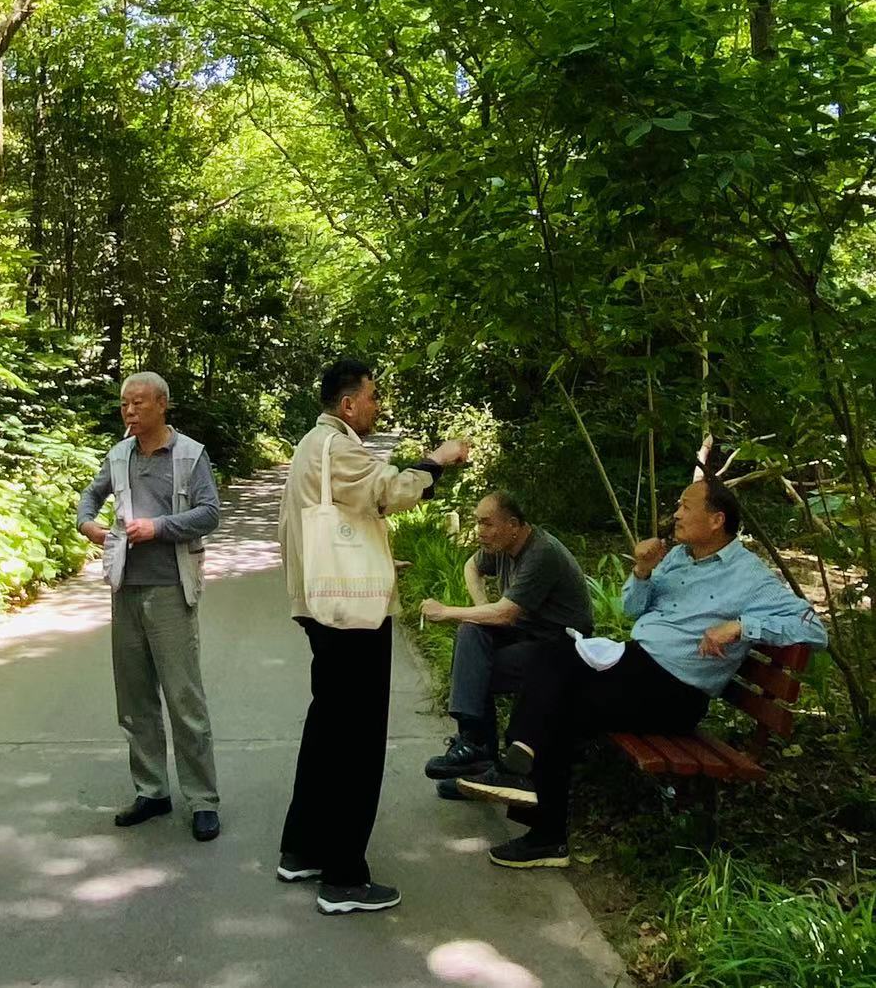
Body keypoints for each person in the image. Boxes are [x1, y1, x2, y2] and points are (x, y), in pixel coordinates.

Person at [455, 477, 829, 869]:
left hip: (676, 691)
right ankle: (529, 792)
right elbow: (633, 609)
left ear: (717, 520)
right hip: (637, 665)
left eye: (685, 506)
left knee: (559, 697)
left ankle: (531, 802)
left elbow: (813, 628)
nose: (676, 514)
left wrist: (740, 626)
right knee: (552, 657)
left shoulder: (749, 576)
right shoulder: (680, 557)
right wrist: (643, 571)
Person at [278, 358, 470, 915]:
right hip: (350, 617)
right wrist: (436, 460)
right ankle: (343, 878)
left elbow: (337, 525)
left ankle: (303, 849)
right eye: (373, 396)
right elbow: (391, 491)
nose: (378, 406)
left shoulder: (311, 446)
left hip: (324, 604)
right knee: (356, 741)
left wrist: (376, 562)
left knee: (327, 728)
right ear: (348, 404)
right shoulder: (338, 446)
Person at [77, 371, 223, 842]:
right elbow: (91, 495)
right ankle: (152, 790)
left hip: (171, 589)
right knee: (135, 699)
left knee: (184, 699)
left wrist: (158, 527)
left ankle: (203, 799)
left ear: (163, 404)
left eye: (139, 403)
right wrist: (87, 524)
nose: (130, 411)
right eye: (125, 404)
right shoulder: (119, 454)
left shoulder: (190, 454)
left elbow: (210, 513)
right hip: (125, 587)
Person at [420, 491, 592, 789]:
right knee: (472, 632)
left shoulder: (542, 552)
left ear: (513, 525)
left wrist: (446, 611)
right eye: (478, 523)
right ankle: (475, 743)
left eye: (487, 523)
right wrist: (480, 604)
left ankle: (485, 755)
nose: (480, 531)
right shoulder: (501, 545)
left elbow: (505, 615)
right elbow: (472, 567)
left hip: (561, 646)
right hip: (527, 634)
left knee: (478, 668)